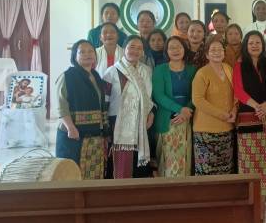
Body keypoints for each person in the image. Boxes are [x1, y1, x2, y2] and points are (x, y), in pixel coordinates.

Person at [233, 31, 266, 203]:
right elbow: (238, 90)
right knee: (247, 158)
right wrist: (257, 106)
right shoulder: (239, 65)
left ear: (263, 45)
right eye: (251, 43)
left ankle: (265, 193)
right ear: (245, 45)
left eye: (258, 42)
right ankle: (248, 194)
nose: (254, 45)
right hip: (248, 115)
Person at [103, 35, 154, 179]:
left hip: (142, 120)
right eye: (132, 47)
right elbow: (104, 102)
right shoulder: (111, 72)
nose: (135, 51)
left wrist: (151, 113)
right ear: (124, 49)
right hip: (118, 122)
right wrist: (106, 127)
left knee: (138, 163)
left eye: (139, 48)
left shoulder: (146, 70)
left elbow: (149, 97)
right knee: (121, 160)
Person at [55, 40, 108, 179]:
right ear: (74, 56)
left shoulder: (95, 76)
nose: (87, 54)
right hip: (73, 134)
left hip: (93, 134)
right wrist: (70, 127)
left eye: (91, 51)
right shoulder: (67, 76)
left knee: (92, 172)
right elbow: (61, 105)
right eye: (82, 52)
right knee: (72, 172)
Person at [192, 35, 237, 175]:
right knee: (206, 171)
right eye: (213, 50)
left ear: (224, 52)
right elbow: (197, 100)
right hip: (206, 131)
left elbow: (236, 94)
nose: (217, 52)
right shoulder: (202, 73)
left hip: (227, 128)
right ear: (207, 54)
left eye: (220, 49)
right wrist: (222, 114)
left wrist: (234, 110)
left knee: (225, 169)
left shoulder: (228, 68)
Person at [152, 36, 196, 177]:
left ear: (184, 49)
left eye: (179, 47)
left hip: (187, 119)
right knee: (168, 162)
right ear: (166, 51)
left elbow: (196, 94)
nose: (175, 50)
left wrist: (186, 110)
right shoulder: (159, 70)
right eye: (171, 47)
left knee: (186, 158)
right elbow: (158, 96)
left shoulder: (192, 69)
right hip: (167, 119)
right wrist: (180, 109)